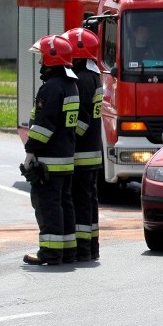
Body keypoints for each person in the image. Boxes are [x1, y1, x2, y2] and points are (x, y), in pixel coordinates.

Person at [22, 34, 80, 265]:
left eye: (42, 58)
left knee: (48, 206)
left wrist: (30, 152)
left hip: (49, 160)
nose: (39, 63)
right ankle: (67, 250)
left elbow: (43, 127)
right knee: (65, 204)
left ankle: (50, 252)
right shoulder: (71, 86)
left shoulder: (51, 89)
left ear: (52, 59)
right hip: (65, 159)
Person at [64, 27, 104, 262]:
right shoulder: (94, 75)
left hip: (81, 153)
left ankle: (82, 248)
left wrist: (69, 138)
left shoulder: (81, 79)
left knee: (80, 202)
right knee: (89, 201)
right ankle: (91, 247)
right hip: (92, 152)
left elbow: (82, 119)